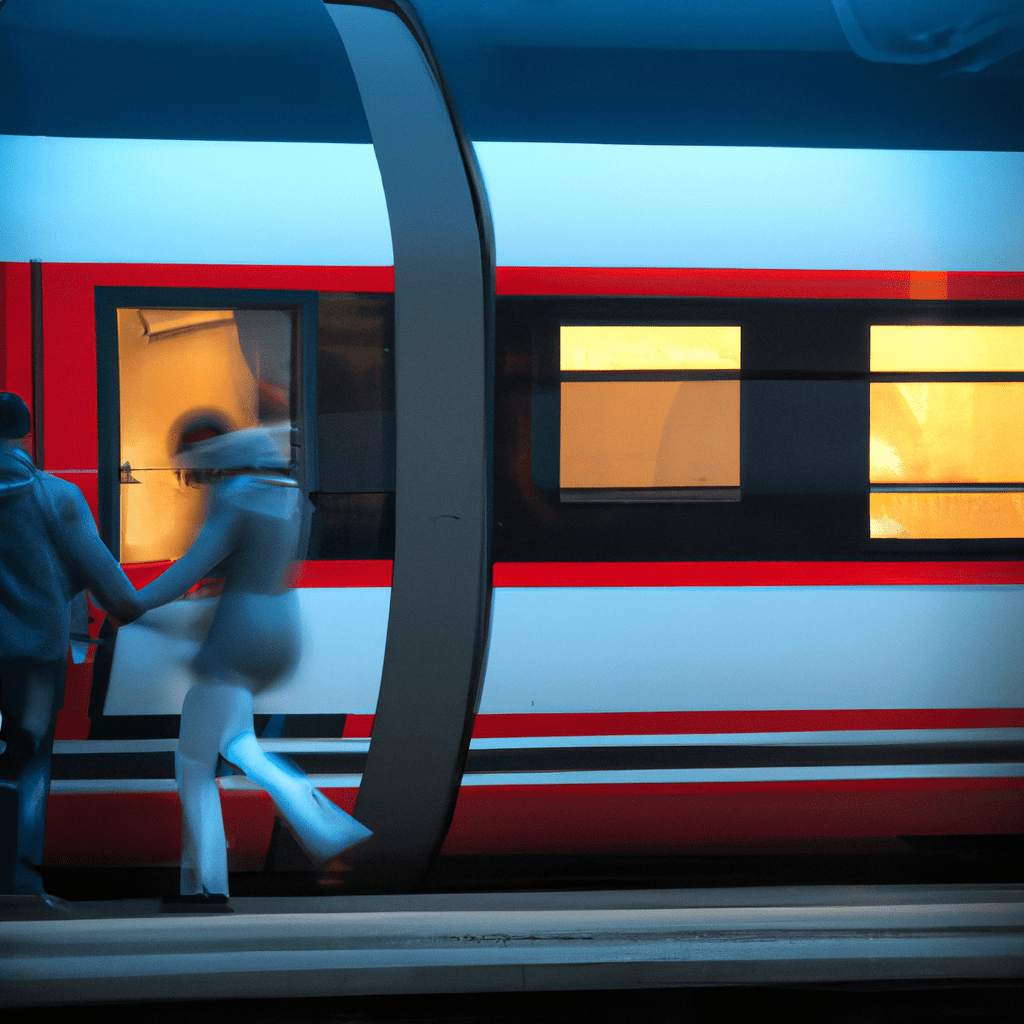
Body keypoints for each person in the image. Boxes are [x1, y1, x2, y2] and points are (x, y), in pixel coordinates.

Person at [134, 419, 371, 902]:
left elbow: (192, 567)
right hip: (281, 627)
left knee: (194, 763)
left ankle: (207, 886)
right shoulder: (284, 490)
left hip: (237, 633)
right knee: (238, 745)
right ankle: (322, 830)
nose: (196, 476)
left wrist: (131, 603)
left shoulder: (234, 493)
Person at [0, 392, 144, 899]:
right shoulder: (57, 497)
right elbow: (121, 599)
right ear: (26, 435)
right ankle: (18, 885)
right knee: (28, 765)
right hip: (33, 662)